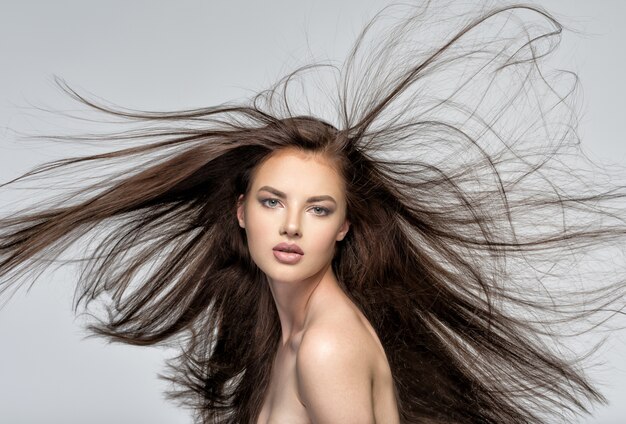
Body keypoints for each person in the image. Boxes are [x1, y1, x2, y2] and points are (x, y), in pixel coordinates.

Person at [1, 1, 625, 423]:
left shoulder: (326, 344)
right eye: (273, 202)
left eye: (319, 208)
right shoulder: (290, 334)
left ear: (345, 226)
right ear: (241, 211)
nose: (292, 225)